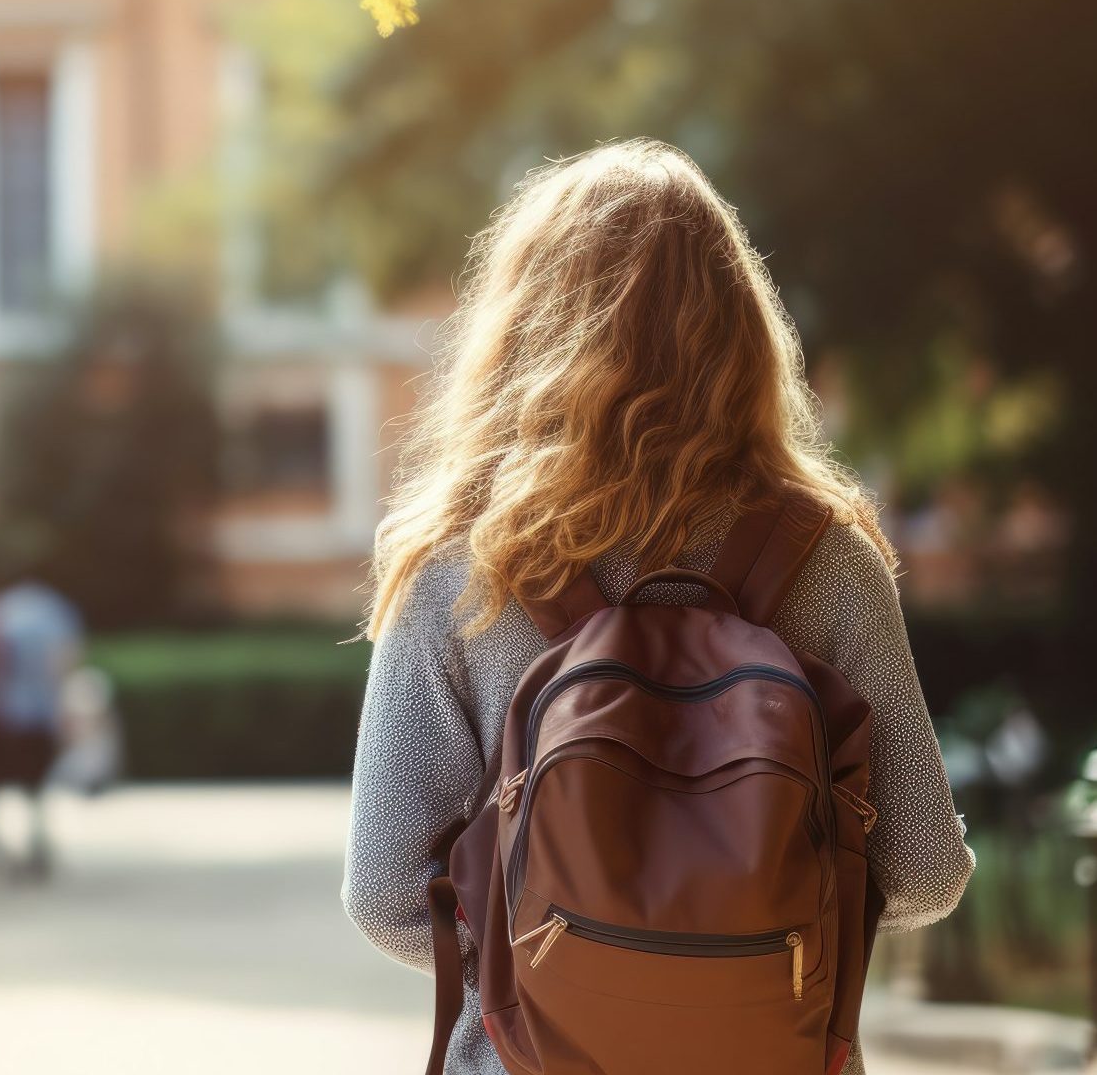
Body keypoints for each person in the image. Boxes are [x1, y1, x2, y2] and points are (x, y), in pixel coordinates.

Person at [343, 141, 974, 1075]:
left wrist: (569, 962)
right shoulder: (827, 557)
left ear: (524, 330)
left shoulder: (460, 566)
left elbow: (389, 894)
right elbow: (924, 872)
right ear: (742, 332)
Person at [0, 576, 83, 881]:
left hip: (3, 711)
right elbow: (64, 662)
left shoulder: (2, 608)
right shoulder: (56, 610)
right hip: (40, 712)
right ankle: (36, 846)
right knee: (36, 788)